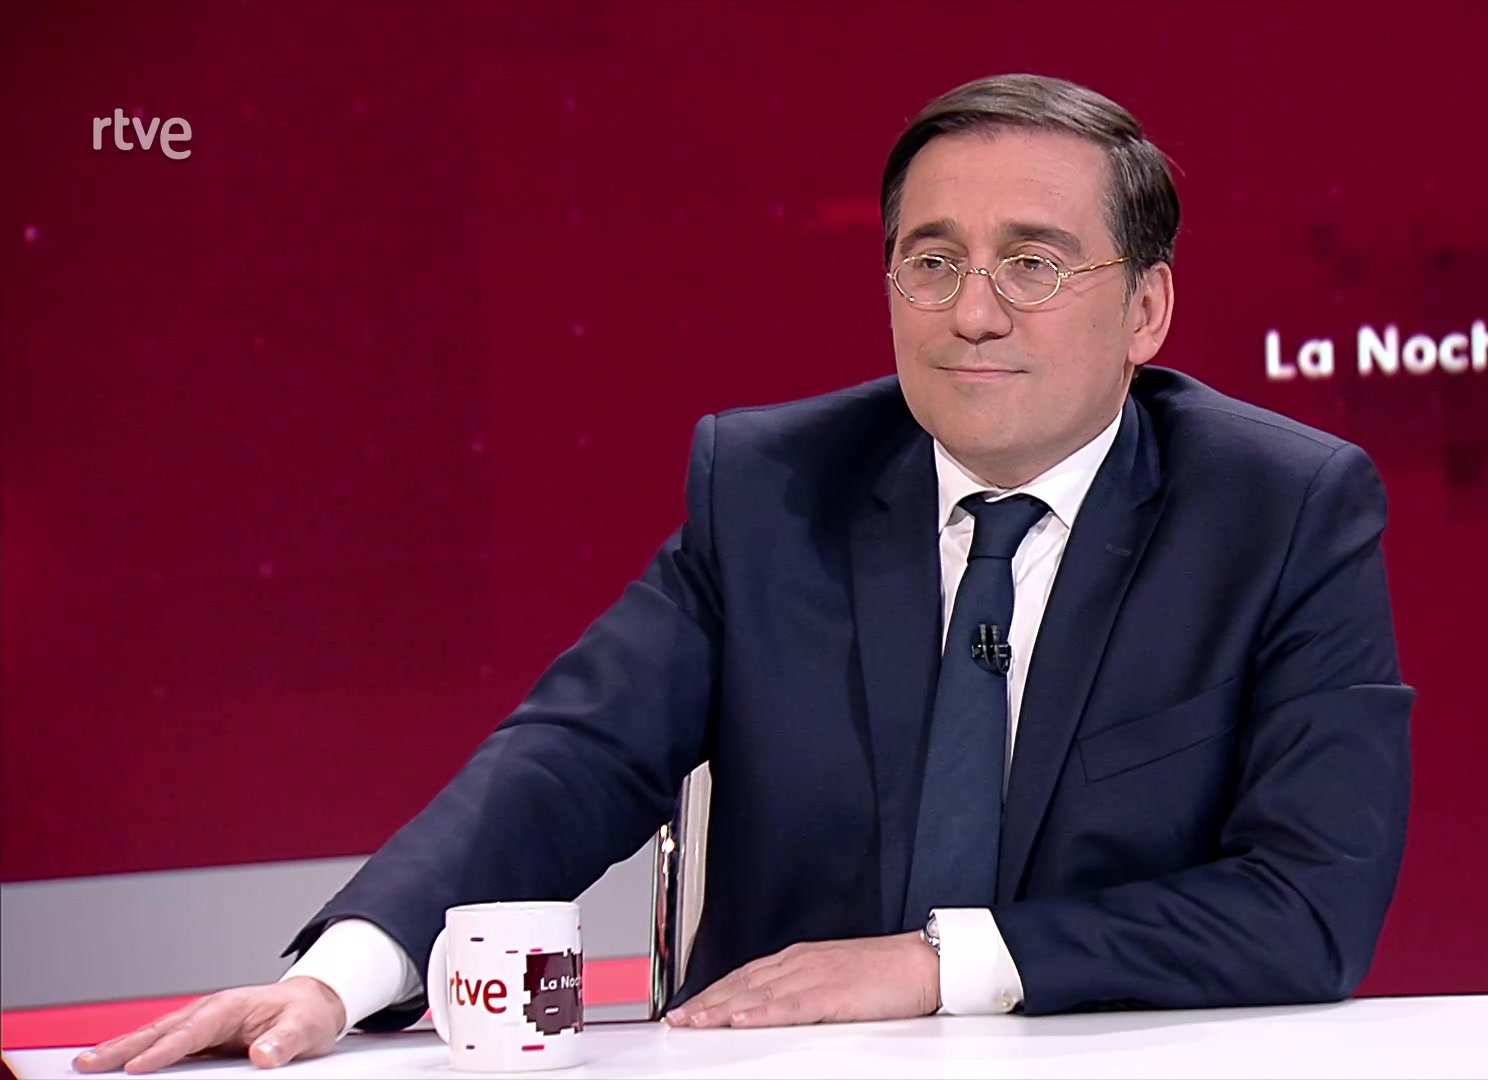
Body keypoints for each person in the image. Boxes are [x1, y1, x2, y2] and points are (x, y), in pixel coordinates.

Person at [76, 73, 1413, 1074]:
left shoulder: (1281, 511)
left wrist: (934, 966)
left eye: (1033, 264)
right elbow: (573, 758)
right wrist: (339, 978)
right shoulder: (774, 488)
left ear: (1147, 310)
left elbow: (1307, 905)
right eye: (932, 262)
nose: (973, 312)